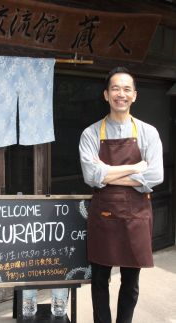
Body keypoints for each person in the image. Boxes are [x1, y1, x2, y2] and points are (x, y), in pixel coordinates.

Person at [79, 67, 163, 323]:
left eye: (127, 89)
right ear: (106, 94)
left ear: (135, 95)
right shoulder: (91, 133)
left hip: (136, 215)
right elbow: (90, 176)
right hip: (104, 215)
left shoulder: (148, 132)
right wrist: (135, 170)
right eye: (115, 88)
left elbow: (155, 175)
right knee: (100, 280)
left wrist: (107, 173)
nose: (121, 94)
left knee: (131, 280)